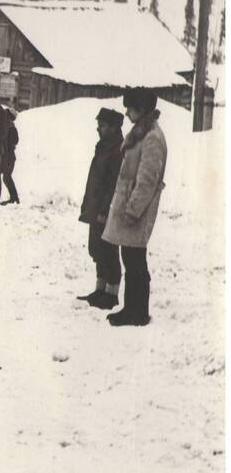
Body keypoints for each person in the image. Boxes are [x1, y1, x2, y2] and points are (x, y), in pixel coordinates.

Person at [102, 90, 167, 327]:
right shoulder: (142, 133)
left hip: (138, 210)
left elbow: (147, 181)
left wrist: (132, 210)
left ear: (140, 109)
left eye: (129, 108)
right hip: (131, 206)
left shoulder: (152, 138)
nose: (126, 112)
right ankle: (132, 308)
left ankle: (137, 312)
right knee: (131, 258)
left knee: (135, 260)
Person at [77, 108, 126, 310]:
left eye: (103, 125)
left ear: (114, 128)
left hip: (105, 210)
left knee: (108, 251)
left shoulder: (117, 150)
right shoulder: (103, 146)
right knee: (96, 249)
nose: (99, 128)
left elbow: (112, 184)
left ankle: (111, 295)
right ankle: (100, 290)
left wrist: (104, 211)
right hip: (95, 206)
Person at [0, 107, 21, 204]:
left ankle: (14, 199)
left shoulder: (10, 126)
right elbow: (15, 141)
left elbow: (15, 141)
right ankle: (14, 198)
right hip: (7, 156)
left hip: (8, 157)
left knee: (6, 177)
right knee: (5, 177)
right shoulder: (9, 126)